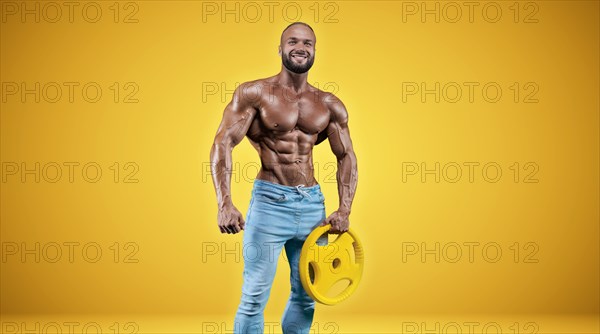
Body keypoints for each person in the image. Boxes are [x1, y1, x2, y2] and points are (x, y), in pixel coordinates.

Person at [209, 21, 358, 334]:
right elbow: (223, 142)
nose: (300, 48)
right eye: (293, 41)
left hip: (313, 207)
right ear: (280, 49)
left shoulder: (328, 104)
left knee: (306, 295)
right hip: (269, 203)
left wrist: (344, 209)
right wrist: (225, 202)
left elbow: (346, 156)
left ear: (314, 50)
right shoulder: (254, 93)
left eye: (307, 43)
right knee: (254, 296)